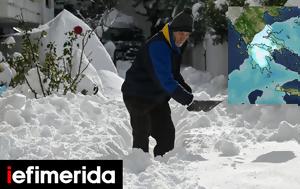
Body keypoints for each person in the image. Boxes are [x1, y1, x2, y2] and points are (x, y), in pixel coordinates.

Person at [122, 7, 199, 157]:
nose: (183, 38)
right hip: (137, 95)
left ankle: (162, 169)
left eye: (187, 34)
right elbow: (164, 80)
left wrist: (189, 93)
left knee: (167, 136)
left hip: (156, 97)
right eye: (181, 33)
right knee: (141, 137)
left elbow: (174, 74)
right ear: (172, 30)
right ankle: (139, 171)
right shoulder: (159, 46)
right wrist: (187, 99)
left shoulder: (172, 45)